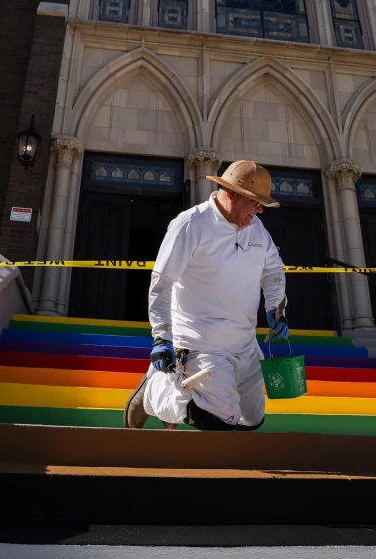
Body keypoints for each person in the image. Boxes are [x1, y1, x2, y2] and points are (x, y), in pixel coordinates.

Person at [124, 160, 289, 431]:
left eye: (262, 204)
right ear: (231, 193)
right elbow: (162, 282)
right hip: (200, 343)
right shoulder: (190, 224)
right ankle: (153, 392)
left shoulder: (257, 229)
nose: (260, 210)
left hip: (245, 345)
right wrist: (161, 336)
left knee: (251, 421)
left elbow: (273, 268)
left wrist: (274, 305)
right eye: (256, 202)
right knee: (217, 420)